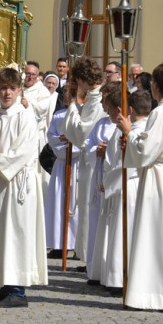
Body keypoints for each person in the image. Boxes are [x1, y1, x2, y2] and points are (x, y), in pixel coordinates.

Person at [118, 60, 163, 312]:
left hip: (158, 176)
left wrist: (130, 132)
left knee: (156, 236)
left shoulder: (161, 113)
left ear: (156, 87)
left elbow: (147, 151)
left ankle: (155, 295)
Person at [0, 67, 48, 307]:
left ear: (19, 90)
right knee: (1, 235)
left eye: (12, 88)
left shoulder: (24, 116)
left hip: (19, 185)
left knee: (17, 234)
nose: (7, 93)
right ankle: (5, 286)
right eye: (3, 88)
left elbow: (24, 151)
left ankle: (18, 291)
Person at [97, 89, 151, 295]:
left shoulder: (132, 132)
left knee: (124, 232)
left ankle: (120, 278)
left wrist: (108, 182)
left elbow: (126, 162)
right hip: (126, 184)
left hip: (128, 184)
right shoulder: (129, 130)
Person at [62, 56, 106, 263]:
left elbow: (82, 132)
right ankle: (87, 253)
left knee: (90, 206)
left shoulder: (97, 100)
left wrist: (72, 106)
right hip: (92, 159)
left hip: (95, 161)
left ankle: (90, 255)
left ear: (82, 79)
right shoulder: (94, 97)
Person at [84, 82, 121, 284]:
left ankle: (110, 269)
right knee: (97, 223)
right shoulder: (101, 124)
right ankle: (95, 267)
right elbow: (87, 145)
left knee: (111, 225)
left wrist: (108, 151)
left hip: (113, 179)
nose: (104, 109)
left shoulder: (123, 124)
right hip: (99, 174)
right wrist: (96, 151)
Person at [44, 84, 80, 259]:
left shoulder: (82, 115)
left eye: (66, 92)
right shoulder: (58, 115)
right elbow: (51, 137)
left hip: (78, 164)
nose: (63, 95)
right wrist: (63, 146)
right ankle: (59, 243)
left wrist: (73, 146)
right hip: (61, 163)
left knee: (75, 203)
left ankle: (75, 244)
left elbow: (86, 138)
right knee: (59, 202)